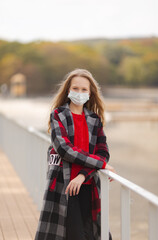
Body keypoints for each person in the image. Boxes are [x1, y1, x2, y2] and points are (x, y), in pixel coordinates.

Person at [34, 68, 116, 240]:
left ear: (90, 92)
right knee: (75, 235)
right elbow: (65, 149)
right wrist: (99, 164)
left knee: (93, 234)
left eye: (84, 89)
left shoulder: (95, 120)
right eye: (75, 88)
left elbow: (103, 153)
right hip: (64, 186)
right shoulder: (58, 115)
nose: (79, 93)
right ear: (68, 90)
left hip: (88, 185)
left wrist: (82, 175)